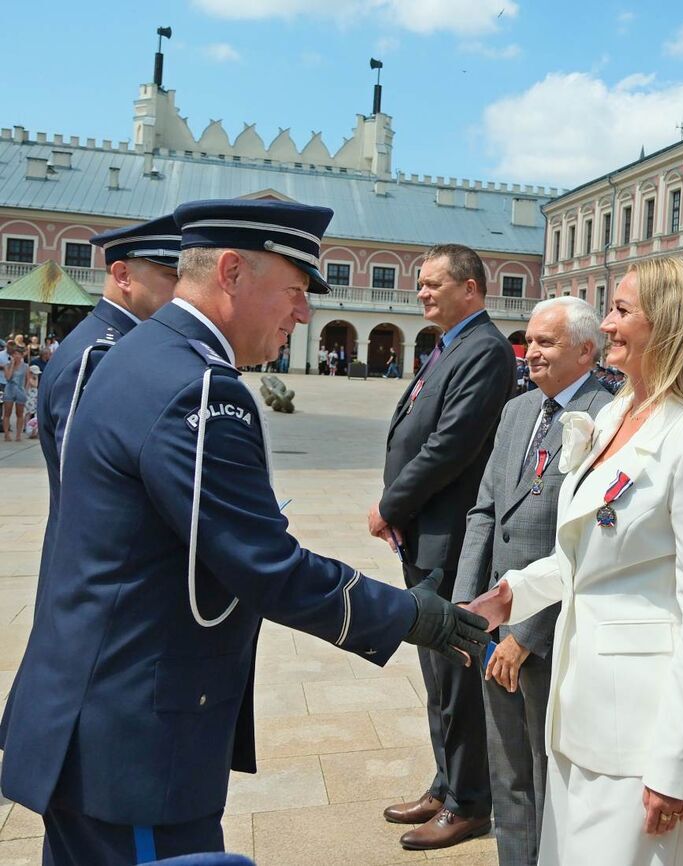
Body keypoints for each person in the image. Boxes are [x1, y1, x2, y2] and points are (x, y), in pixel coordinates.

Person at [0, 198, 489, 866]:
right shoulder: (201, 388)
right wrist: (413, 616)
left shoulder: (140, 352)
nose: (304, 312)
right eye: (293, 290)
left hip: (94, 716)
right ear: (231, 272)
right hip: (135, 748)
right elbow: (265, 566)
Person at [467, 255, 683, 866]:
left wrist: (677, 760)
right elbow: (585, 557)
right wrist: (512, 594)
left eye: (621, 310)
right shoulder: (614, 414)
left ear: (665, 325)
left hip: (640, 734)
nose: (608, 324)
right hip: (577, 707)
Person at [452, 297, 613, 866]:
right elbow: (485, 512)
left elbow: (588, 545)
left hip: (551, 631)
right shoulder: (518, 410)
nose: (532, 352)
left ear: (586, 350)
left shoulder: (605, 416)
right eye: (531, 341)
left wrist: (527, 634)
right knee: (509, 770)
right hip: (496, 622)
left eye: (547, 342)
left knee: (550, 775)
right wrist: (464, 612)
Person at [375, 243, 516, 851]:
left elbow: (450, 445)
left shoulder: (482, 350)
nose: (422, 292)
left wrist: (391, 504)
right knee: (436, 671)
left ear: (471, 289)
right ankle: (445, 782)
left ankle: (469, 802)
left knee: (455, 669)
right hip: (427, 532)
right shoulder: (449, 345)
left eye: (434, 283)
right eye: (420, 283)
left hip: (452, 536)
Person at [31, 215, 181, 620]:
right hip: (102, 585)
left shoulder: (127, 344)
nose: (185, 292)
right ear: (122, 274)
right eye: (172, 277)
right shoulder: (99, 356)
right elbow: (88, 489)